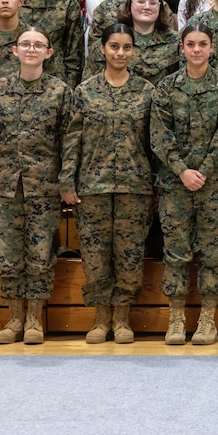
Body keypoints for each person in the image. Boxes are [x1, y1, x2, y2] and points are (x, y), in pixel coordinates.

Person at [61, 23, 155, 345]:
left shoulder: (147, 91)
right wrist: (67, 181)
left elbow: (153, 141)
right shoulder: (84, 92)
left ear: (133, 51)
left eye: (127, 47)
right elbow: (72, 140)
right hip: (92, 185)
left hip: (135, 186)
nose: (120, 53)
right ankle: (101, 319)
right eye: (114, 46)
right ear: (102, 49)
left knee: (129, 254)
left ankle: (123, 318)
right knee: (95, 254)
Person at [149, 22, 218, 346]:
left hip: (215, 184)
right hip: (176, 184)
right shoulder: (165, 88)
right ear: (181, 47)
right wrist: (182, 170)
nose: (197, 49)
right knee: (176, 252)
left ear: (212, 48)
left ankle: (207, 320)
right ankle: (176, 319)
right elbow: (160, 137)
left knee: (213, 252)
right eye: (191, 44)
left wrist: (203, 169)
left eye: (203, 43)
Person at [0, 27, 64, 345]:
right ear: (14, 50)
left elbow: (66, 143)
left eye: (38, 45)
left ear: (48, 53)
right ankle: (14, 319)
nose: (31, 49)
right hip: (5, 186)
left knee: (40, 256)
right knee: (9, 256)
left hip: (43, 187)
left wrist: (64, 181)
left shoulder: (59, 91)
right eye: (25, 44)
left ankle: (33, 321)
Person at [17, 0, 82, 88]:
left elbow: (74, 52)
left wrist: (70, 87)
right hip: (19, 78)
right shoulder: (16, 1)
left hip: (56, 81)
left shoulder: (67, 2)